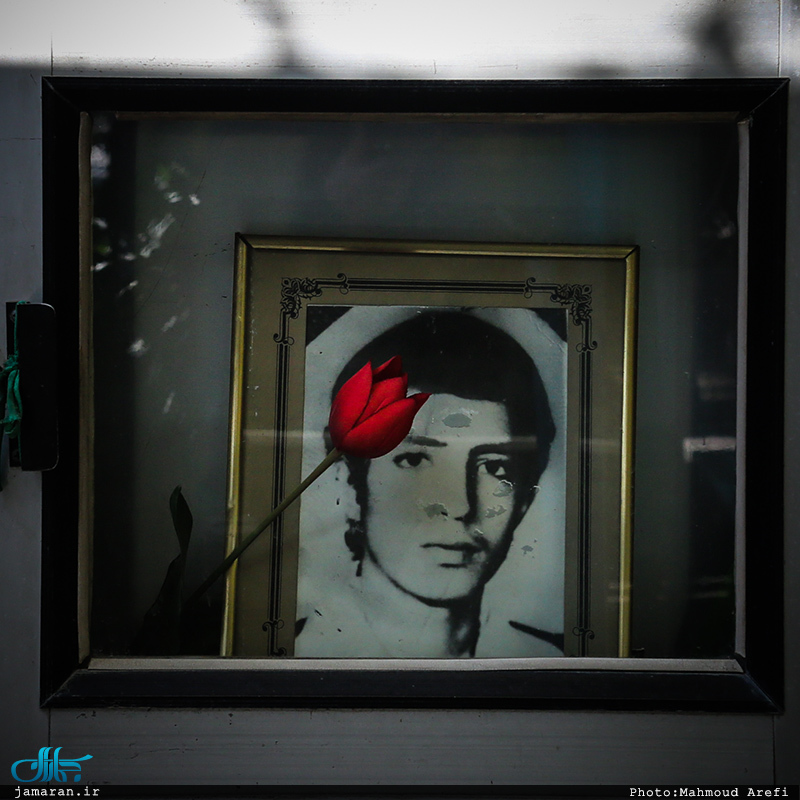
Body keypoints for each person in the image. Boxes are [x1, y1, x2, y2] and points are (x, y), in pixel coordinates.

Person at [295, 309, 562, 658]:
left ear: (525, 498)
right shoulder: (292, 657)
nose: (460, 506)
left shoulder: (553, 662)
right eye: (414, 460)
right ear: (348, 482)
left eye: (495, 467)